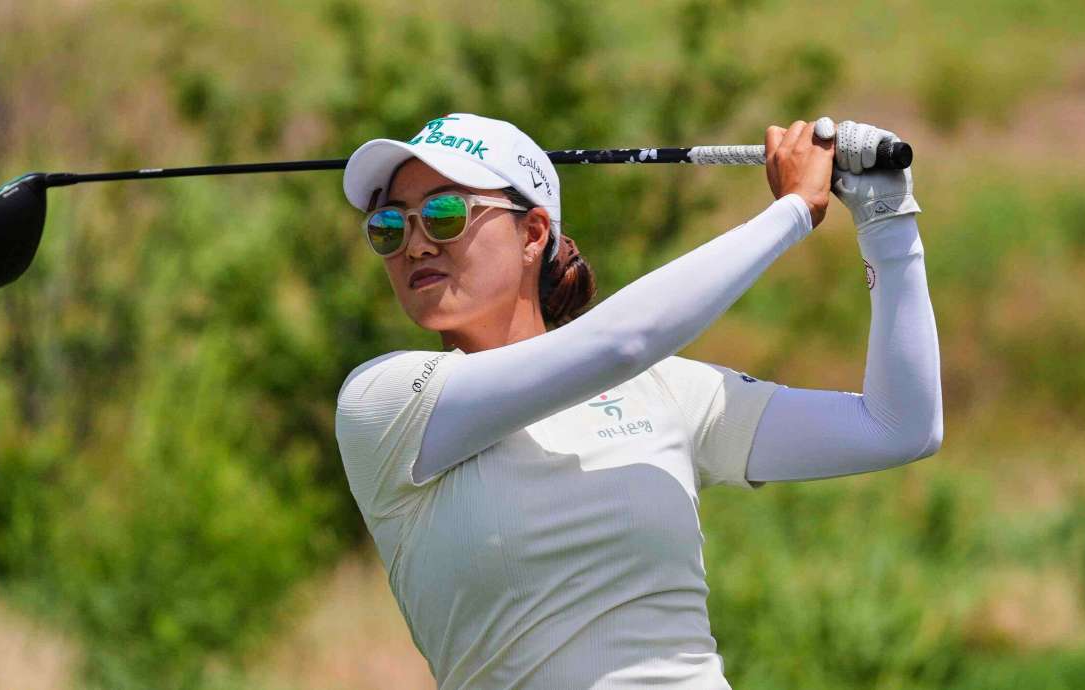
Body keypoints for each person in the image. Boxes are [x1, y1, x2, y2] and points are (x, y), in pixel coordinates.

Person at [334, 113, 941, 689]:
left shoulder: (661, 389)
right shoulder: (384, 403)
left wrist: (889, 221)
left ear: (534, 232)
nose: (413, 245)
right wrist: (790, 213)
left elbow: (897, 427)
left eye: (443, 215)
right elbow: (622, 342)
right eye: (390, 227)